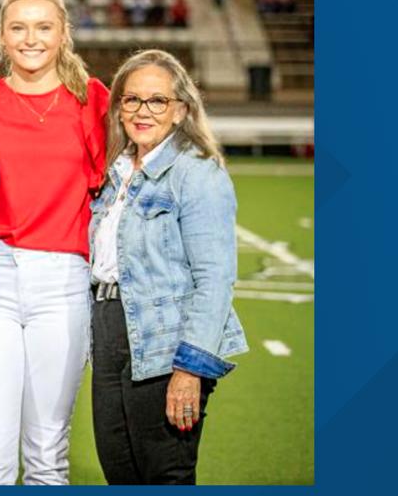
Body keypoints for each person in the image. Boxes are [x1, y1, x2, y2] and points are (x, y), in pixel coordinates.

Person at [0, 0, 109, 485]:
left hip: (63, 280)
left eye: (44, 26)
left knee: (47, 455)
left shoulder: (92, 100)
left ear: (64, 33)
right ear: (2, 36)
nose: (31, 38)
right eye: (18, 27)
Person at [90, 49, 248, 484]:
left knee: (165, 473)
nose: (143, 111)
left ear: (181, 111)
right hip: (109, 329)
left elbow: (214, 280)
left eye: (157, 101)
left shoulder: (197, 173)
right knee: (119, 469)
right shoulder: (115, 171)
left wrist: (190, 368)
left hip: (165, 340)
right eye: (132, 99)